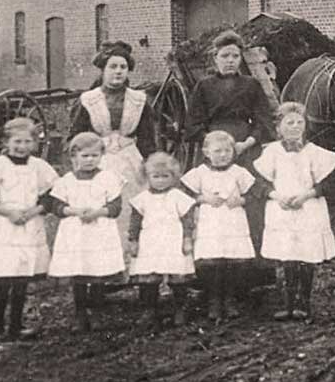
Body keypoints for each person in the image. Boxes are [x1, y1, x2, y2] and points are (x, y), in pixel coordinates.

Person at [0, 118, 57, 343]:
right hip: (3, 230)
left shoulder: (39, 167)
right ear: (6, 142)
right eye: (16, 141)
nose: (21, 146)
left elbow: (50, 197)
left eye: (27, 141)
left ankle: (16, 326)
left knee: (21, 279)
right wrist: (9, 212)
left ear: (35, 143)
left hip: (28, 227)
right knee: (3, 279)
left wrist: (34, 211)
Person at [186, 30, 275, 256]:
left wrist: (246, 143)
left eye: (234, 56)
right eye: (224, 56)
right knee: (213, 204)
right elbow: (193, 124)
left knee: (249, 201)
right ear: (215, 58)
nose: (230, 61)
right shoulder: (204, 86)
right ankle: (210, 268)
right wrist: (215, 147)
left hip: (245, 148)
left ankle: (252, 270)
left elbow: (264, 120)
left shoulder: (251, 84)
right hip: (212, 151)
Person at [254, 102, 335, 322]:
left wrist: (307, 195)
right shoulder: (271, 152)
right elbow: (259, 184)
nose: (294, 127)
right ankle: (289, 303)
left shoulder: (315, 153)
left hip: (308, 209)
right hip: (281, 209)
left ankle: (305, 302)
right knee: (288, 257)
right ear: (278, 127)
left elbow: (330, 185)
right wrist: (276, 196)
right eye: (289, 123)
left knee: (306, 256)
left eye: (299, 122)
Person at [71, 40, 155, 259]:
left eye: (123, 67)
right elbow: (75, 137)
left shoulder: (139, 100)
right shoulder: (89, 100)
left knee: (132, 208)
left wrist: (151, 165)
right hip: (99, 162)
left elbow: (148, 139)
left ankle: (131, 264)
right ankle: (102, 267)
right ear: (103, 69)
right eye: (113, 66)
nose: (118, 71)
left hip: (130, 162)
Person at [45, 133, 126, 332]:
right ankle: (80, 314)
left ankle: (97, 312)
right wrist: (74, 211)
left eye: (95, 156)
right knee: (79, 272)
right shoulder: (66, 181)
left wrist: (98, 212)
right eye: (85, 156)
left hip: (99, 230)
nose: (90, 160)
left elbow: (115, 207)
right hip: (75, 232)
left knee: (97, 272)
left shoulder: (108, 178)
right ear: (74, 157)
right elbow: (56, 206)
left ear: (101, 157)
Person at [180, 131, 257, 321]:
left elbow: (255, 195)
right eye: (217, 151)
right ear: (206, 152)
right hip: (210, 222)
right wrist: (202, 198)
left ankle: (229, 299)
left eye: (227, 150)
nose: (223, 155)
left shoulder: (239, 172)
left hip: (233, 221)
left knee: (232, 259)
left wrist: (241, 200)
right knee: (211, 261)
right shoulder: (199, 173)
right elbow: (184, 195)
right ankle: (213, 299)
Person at [127, 152, 196, 329]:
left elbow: (187, 220)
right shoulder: (142, 199)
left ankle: (180, 307)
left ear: (173, 177)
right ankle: (150, 309)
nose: (160, 180)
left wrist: (187, 238)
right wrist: (133, 241)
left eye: (165, 176)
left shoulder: (177, 196)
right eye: (155, 176)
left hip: (173, 239)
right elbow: (135, 222)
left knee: (177, 274)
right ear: (147, 176)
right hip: (150, 241)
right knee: (149, 276)